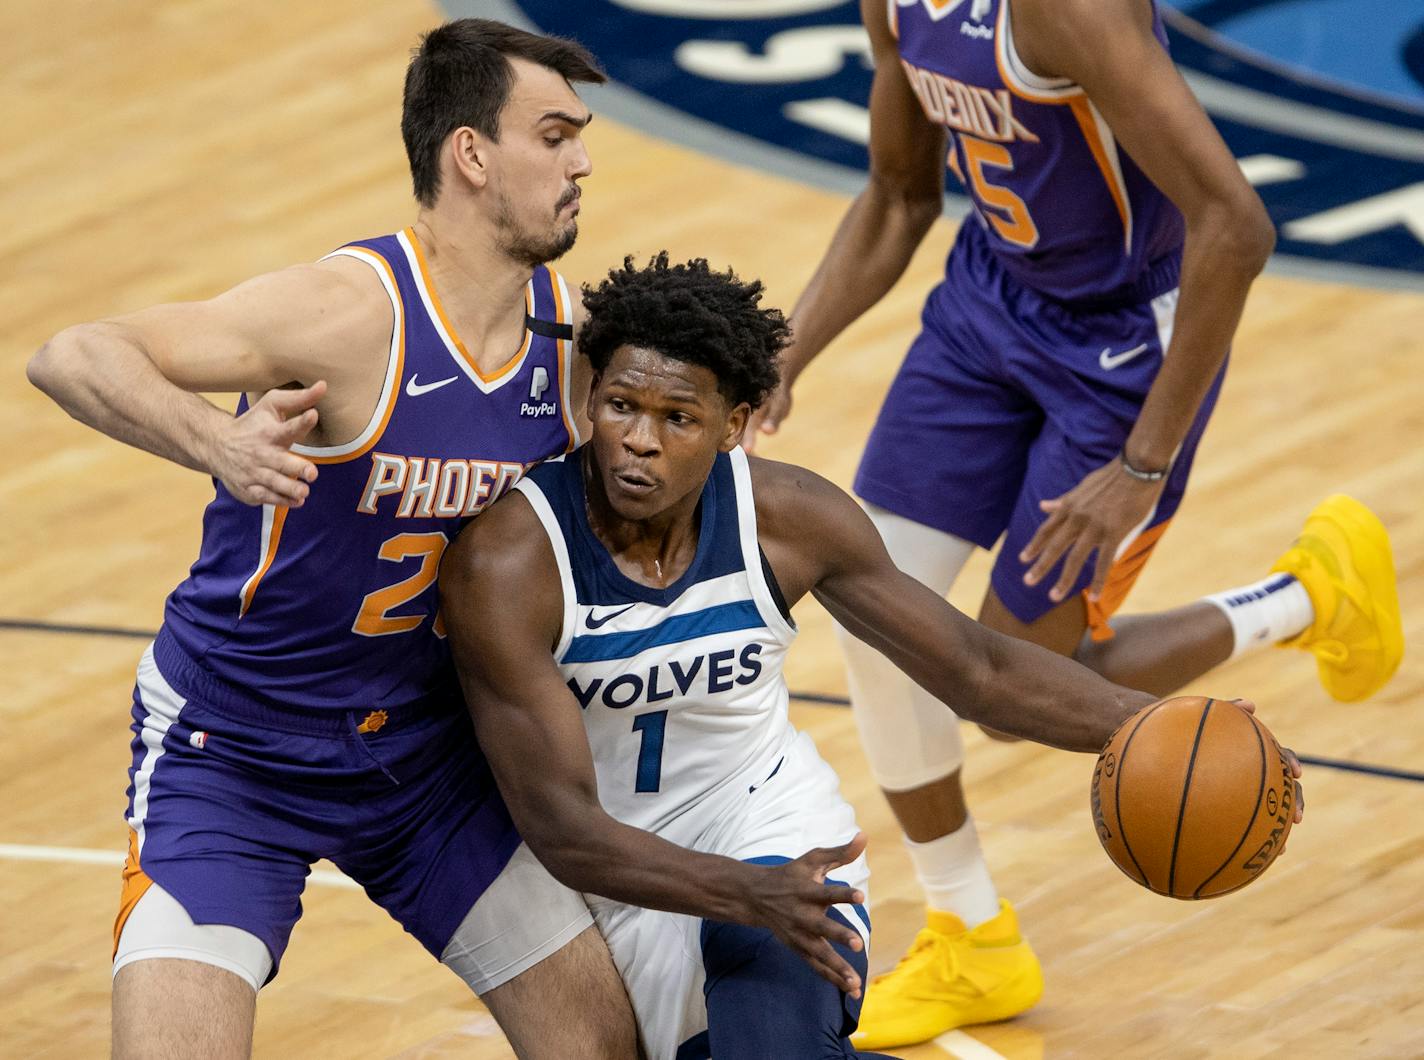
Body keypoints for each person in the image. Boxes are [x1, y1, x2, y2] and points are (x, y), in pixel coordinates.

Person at [437, 253, 1305, 1059]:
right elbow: (564, 830)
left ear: (734, 425)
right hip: (617, 864)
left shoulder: (790, 520)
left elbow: (978, 670)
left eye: (678, 417)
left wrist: (1152, 724)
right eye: (621, 406)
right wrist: (742, 892)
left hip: (770, 828)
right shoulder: (510, 563)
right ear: (592, 403)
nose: (640, 439)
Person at [745, 0, 1403, 1047]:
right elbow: (895, 191)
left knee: (1009, 686)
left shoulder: (1063, 12)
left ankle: (1302, 595)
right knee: (875, 611)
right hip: (987, 309)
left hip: (1123, 356)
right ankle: (969, 931)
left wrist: (1140, 463)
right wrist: (780, 354)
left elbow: (1236, 223)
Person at [26, 19, 641, 1058]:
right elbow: (72, 352)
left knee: (600, 1045)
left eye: (581, 136)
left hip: (429, 760)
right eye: (553, 135)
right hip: (236, 752)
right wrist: (213, 440)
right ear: (471, 154)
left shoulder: (568, 337)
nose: (582, 160)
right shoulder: (348, 312)